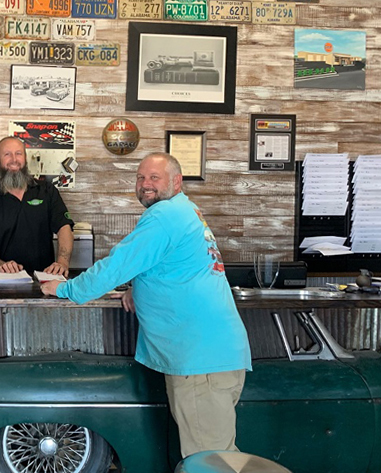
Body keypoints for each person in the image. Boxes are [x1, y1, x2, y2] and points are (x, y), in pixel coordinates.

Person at [41, 152, 251, 458]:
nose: (145, 184)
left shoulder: (164, 216)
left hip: (199, 359)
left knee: (210, 462)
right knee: (216, 454)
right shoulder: (187, 210)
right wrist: (138, 289)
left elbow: (118, 265)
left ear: (176, 181)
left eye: (154, 177)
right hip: (214, 353)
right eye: (140, 177)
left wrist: (67, 289)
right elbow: (175, 266)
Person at [0, 136, 75, 275]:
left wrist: (62, 262)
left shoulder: (47, 191)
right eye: (7, 154)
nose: (14, 159)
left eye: (18, 153)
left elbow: (64, 227)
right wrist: (0, 264)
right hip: (5, 281)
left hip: (45, 279)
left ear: (25, 158)